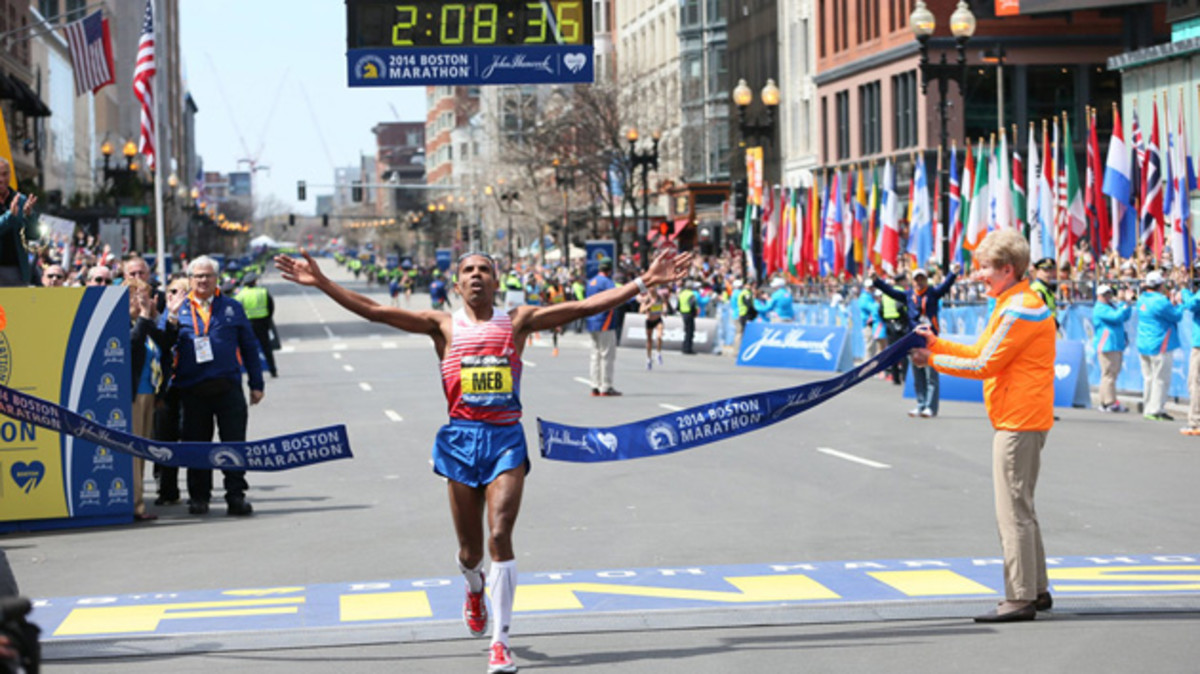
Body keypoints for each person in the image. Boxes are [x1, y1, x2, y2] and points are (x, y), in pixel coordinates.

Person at [274, 248, 691, 674]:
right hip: (459, 440)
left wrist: (645, 281)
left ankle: (500, 643)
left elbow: (583, 306)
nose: (476, 276)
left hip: (506, 440)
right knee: (471, 551)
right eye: (468, 271)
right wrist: (323, 282)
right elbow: (376, 311)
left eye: (484, 271)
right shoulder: (442, 325)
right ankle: (474, 586)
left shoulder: (517, 321)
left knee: (499, 535)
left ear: (496, 282)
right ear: (457, 285)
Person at [912, 229, 1054, 623]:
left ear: (1008, 270)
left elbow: (981, 365)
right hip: (1022, 416)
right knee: (1021, 505)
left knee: (1012, 511)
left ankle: (1021, 596)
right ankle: (1036, 590)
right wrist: (937, 344)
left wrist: (931, 359)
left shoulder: (1018, 308)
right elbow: (979, 351)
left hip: (1018, 420)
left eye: (985, 268)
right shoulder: (1015, 302)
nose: (978, 276)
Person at [161, 256, 264, 516]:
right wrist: (170, 317)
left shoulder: (232, 307)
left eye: (208, 276)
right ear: (190, 279)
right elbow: (162, 341)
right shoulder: (178, 308)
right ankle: (199, 497)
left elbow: (249, 347)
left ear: (216, 278)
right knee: (197, 446)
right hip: (192, 389)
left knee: (234, 445)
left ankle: (236, 496)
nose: (203, 280)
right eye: (198, 276)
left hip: (228, 387)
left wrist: (256, 383)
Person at [874, 265, 958, 417]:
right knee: (917, 373)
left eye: (922, 279)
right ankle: (920, 404)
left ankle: (930, 407)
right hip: (913, 339)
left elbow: (945, 286)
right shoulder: (908, 295)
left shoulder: (933, 293)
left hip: (930, 339)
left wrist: (953, 273)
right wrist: (877, 281)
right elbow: (891, 292)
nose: (919, 282)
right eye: (916, 279)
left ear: (926, 280)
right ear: (912, 282)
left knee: (931, 374)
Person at [1135, 270, 1182, 422]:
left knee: (1148, 378)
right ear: (1160, 285)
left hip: (1144, 344)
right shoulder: (1160, 301)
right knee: (1161, 379)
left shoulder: (1141, 299)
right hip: (1160, 343)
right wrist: (1178, 304)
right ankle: (1156, 410)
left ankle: (1148, 407)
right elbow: (1176, 315)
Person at [1091, 284, 1133, 413]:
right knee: (1109, 374)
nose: (1108, 296)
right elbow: (1116, 317)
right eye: (1105, 295)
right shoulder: (1100, 308)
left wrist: (1124, 304)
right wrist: (1125, 303)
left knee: (1110, 374)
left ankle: (1105, 401)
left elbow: (1124, 316)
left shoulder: (1110, 307)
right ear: (1099, 296)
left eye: (1109, 293)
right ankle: (1109, 402)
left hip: (1114, 344)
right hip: (1107, 345)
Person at [586, 258, 621, 396]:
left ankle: (594, 385)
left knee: (595, 355)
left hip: (591, 321)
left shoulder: (591, 282)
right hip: (605, 321)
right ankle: (606, 386)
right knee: (606, 355)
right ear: (609, 269)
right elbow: (617, 296)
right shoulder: (607, 282)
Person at [0, 158, 37, 287]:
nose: (1, 179)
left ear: (10, 175)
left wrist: (29, 216)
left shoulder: (20, 200)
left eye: (4, 174)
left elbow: (33, 235)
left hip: (17, 271)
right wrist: (10, 216)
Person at [235, 272, 279, 378]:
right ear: (254, 282)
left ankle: (250, 371)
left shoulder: (240, 295)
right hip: (262, 323)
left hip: (247, 324)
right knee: (266, 348)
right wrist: (267, 319)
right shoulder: (263, 292)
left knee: (248, 349)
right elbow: (271, 306)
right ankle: (272, 370)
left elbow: (237, 310)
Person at [878, 273, 909, 385]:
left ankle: (895, 378)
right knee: (903, 351)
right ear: (901, 281)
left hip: (889, 324)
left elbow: (880, 310)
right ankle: (905, 377)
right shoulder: (901, 291)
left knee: (893, 351)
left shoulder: (886, 294)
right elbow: (900, 307)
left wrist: (886, 320)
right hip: (900, 323)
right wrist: (906, 320)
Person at [639, 286, 665, 368]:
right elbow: (641, 311)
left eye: (654, 288)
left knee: (659, 337)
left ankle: (658, 353)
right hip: (649, 321)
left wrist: (664, 310)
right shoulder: (647, 298)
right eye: (651, 288)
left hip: (658, 319)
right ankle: (649, 358)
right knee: (649, 340)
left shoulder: (660, 297)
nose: (652, 290)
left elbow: (664, 304)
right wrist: (649, 305)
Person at [1029, 258, 1059, 329]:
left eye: (1050, 271)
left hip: (1048, 327)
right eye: (1045, 270)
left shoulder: (1045, 287)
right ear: (1038, 271)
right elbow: (1039, 314)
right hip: (1042, 329)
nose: (1048, 274)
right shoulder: (1037, 289)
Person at [677, 280, 698, 355]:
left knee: (686, 331)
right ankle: (688, 348)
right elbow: (692, 305)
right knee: (690, 332)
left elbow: (678, 305)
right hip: (689, 313)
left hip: (683, 313)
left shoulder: (682, 293)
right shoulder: (691, 294)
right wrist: (694, 313)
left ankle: (684, 347)